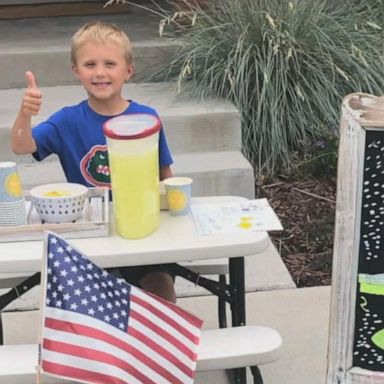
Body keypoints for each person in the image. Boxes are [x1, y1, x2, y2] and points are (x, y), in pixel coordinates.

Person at [11, 21, 177, 303]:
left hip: (139, 227)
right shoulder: (67, 120)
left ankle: (156, 341)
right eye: (90, 64)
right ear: (76, 70)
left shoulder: (146, 119)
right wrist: (25, 113)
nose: (100, 72)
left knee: (160, 287)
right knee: (84, 301)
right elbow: (21, 145)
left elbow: (166, 176)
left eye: (110, 63)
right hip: (89, 232)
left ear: (128, 70)